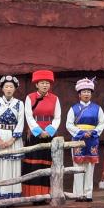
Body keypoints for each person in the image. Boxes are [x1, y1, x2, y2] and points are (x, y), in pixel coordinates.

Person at [22, 70, 61, 200]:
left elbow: (57, 117)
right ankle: (34, 195)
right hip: (34, 135)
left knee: (47, 164)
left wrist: (49, 131)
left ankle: (46, 194)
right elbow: (29, 116)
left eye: (47, 83)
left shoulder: (55, 98)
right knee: (34, 164)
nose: (45, 85)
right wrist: (39, 131)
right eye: (42, 83)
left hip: (49, 135)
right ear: (36, 84)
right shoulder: (30, 97)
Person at [66, 77, 104, 202]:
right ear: (79, 94)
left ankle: (88, 194)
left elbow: (102, 123)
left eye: (88, 91)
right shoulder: (73, 109)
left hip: (92, 139)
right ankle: (78, 194)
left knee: (89, 167)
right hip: (78, 140)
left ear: (91, 93)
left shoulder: (97, 108)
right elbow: (69, 124)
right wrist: (81, 133)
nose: (86, 94)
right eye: (84, 91)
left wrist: (93, 132)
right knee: (78, 166)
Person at [0, 75, 25, 201]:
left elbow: (21, 122)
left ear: (15, 89)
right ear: (2, 88)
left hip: (13, 138)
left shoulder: (19, 104)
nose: (9, 89)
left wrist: (12, 140)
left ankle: (11, 195)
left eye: (11, 87)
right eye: (6, 87)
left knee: (11, 164)